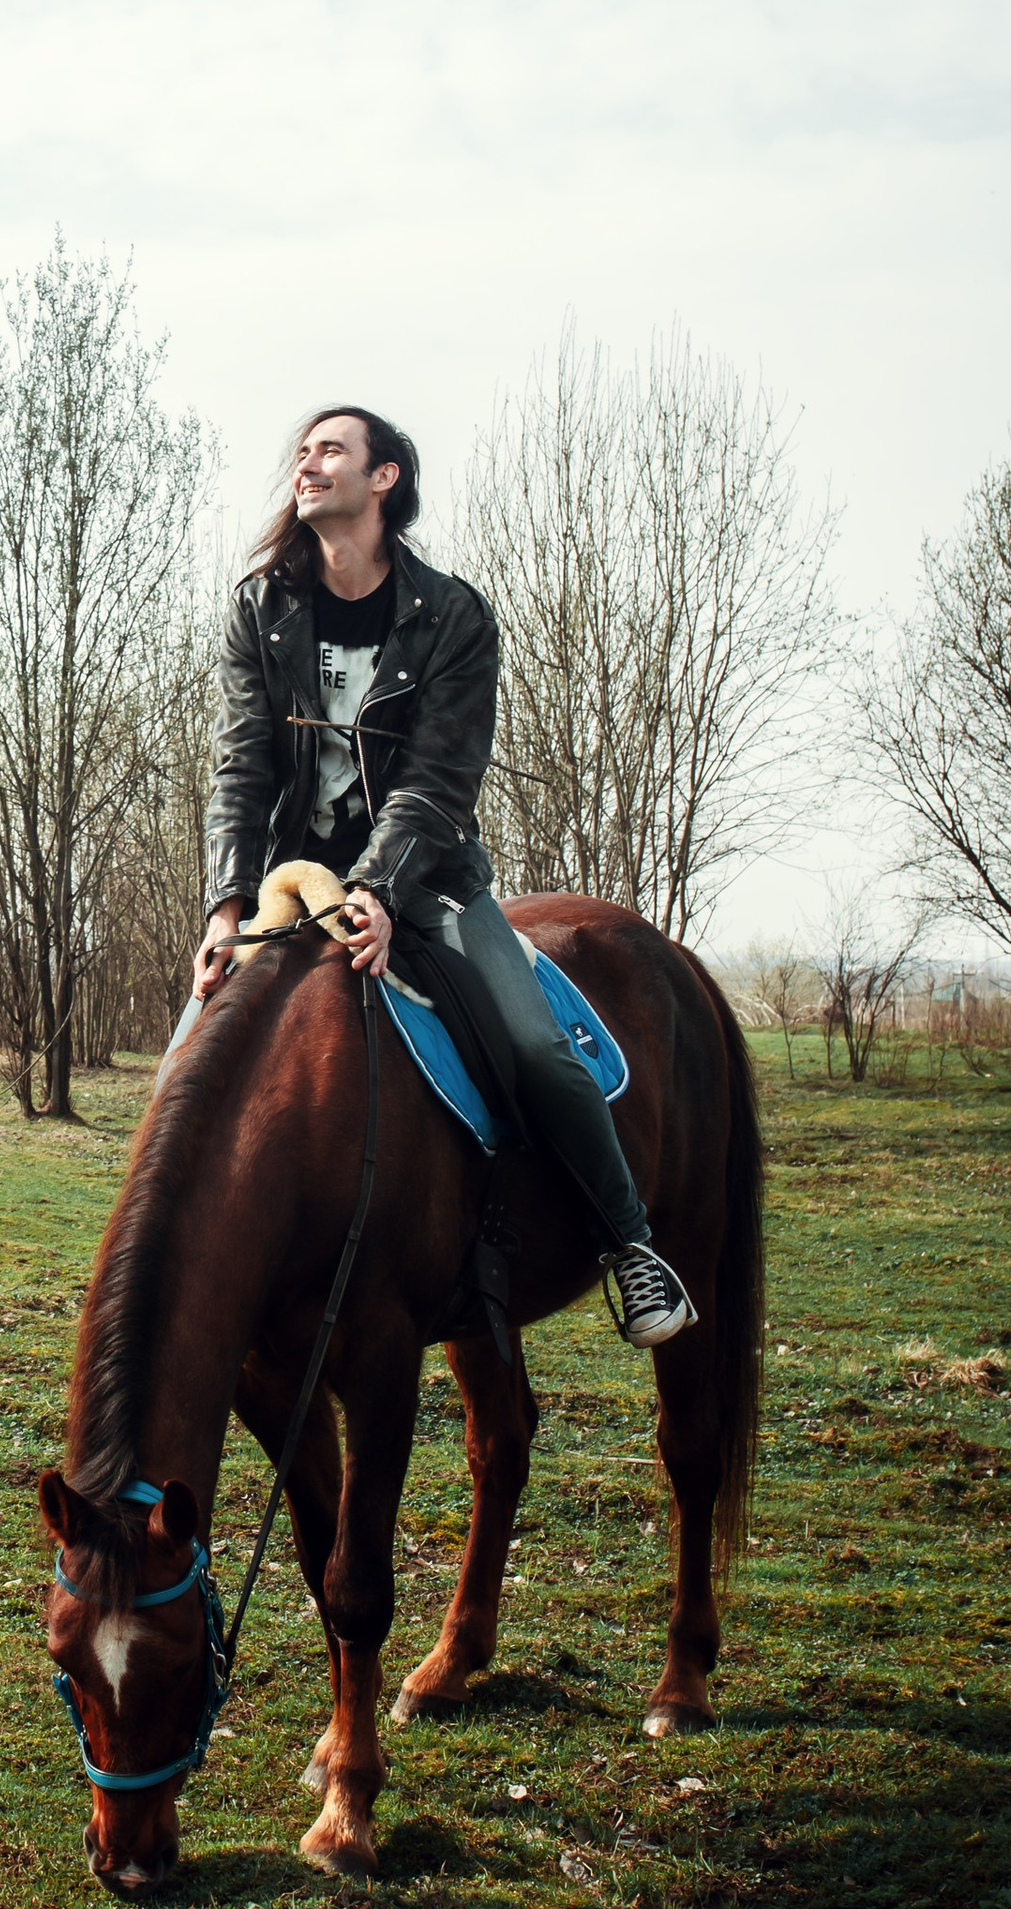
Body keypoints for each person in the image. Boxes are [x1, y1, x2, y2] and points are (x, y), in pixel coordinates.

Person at [194, 405, 696, 1347]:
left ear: (384, 479)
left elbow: (439, 780)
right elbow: (240, 770)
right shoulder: (260, 609)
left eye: (330, 450)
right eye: (301, 452)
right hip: (294, 885)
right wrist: (227, 907)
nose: (307, 463)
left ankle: (630, 1244)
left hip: (431, 882)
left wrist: (379, 892)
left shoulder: (452, 615)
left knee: (538, 1044)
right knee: (193, 1052)